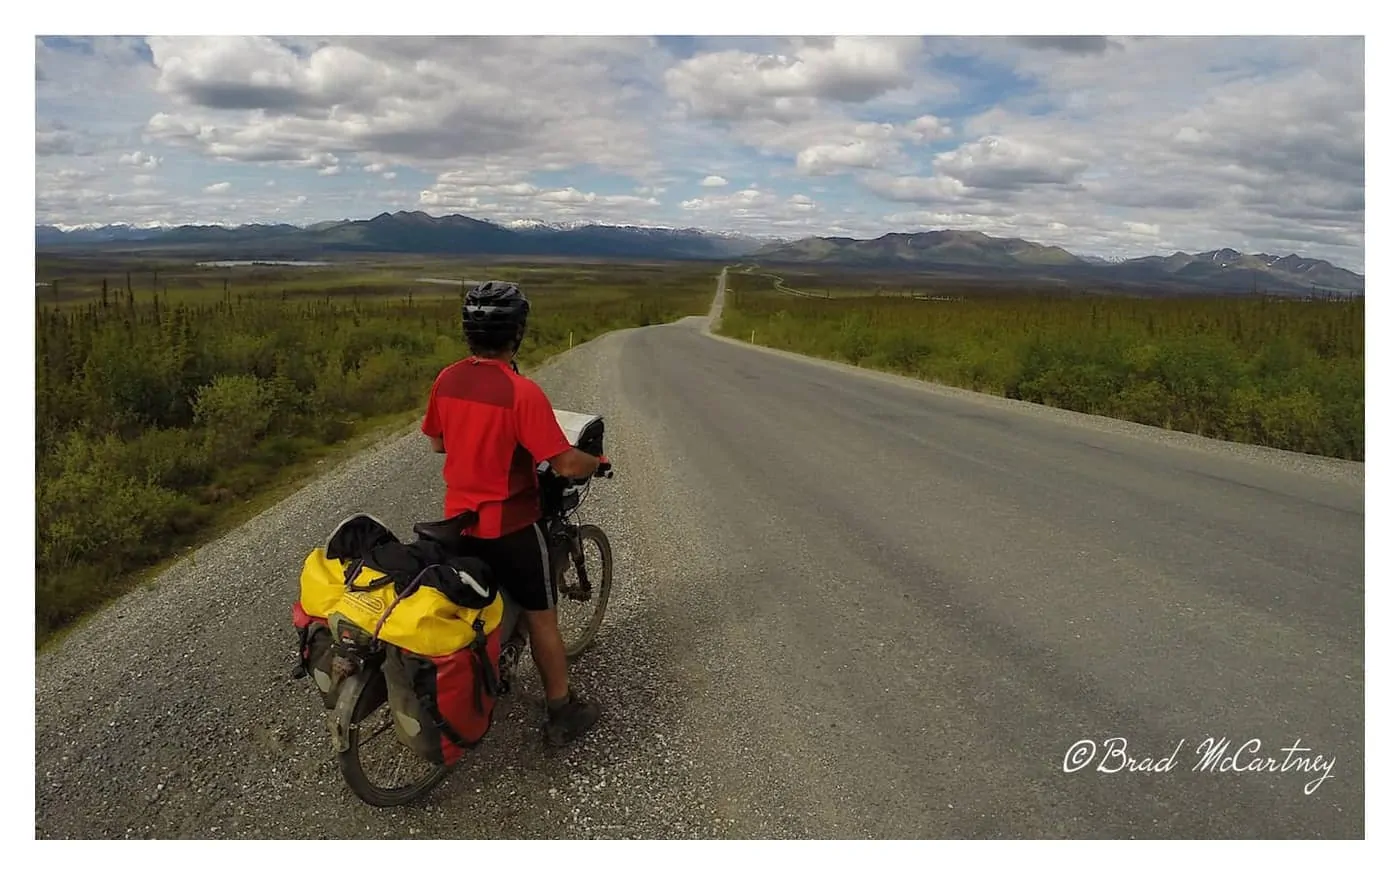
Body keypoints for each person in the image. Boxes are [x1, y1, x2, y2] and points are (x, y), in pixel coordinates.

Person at [420, 280, 604, 746]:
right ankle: (561, 709)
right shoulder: (521, 392)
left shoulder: (447, 379)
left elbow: (439, 442)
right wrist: (597, 462)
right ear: (516, 333)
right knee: (543, 617)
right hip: (511, 527)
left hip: (456, 523)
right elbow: (564, 462)